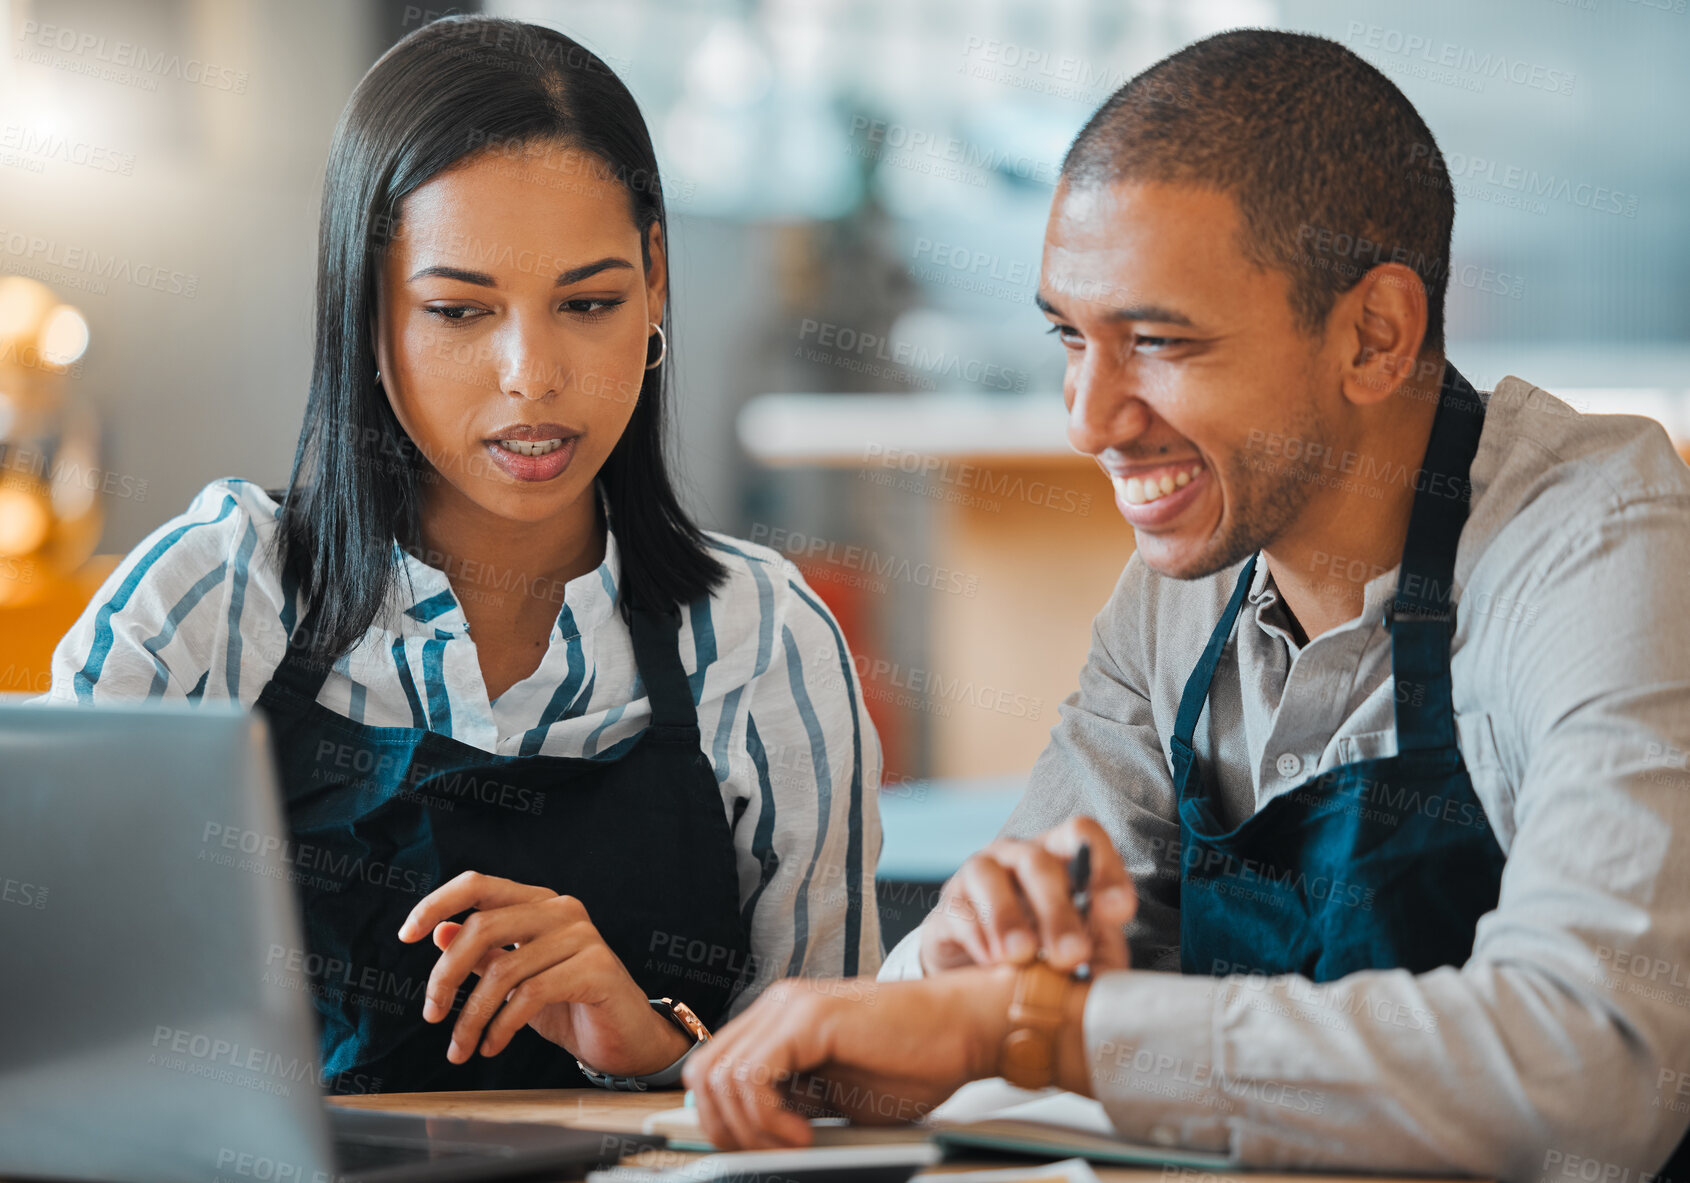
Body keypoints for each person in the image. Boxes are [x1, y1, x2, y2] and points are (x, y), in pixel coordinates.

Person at [684, 29, 1690, 1180]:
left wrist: (1043, 1028)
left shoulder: (1596, 538)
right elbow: (953, 1022)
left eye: (1157, 342)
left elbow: (1594, 1072)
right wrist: (963, 964)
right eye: (1069, 336)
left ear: (1375, 335)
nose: (1088, 416)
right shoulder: (1178, 596)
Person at [40, 16, 881, 1095]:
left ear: (657, 278)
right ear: (366, 308)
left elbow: (839, 1098)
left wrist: (658, 1047)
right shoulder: (209, 597)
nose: (531, 375)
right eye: (457, 309)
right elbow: (42, 1004)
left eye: (588, 303)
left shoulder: (764, 639)